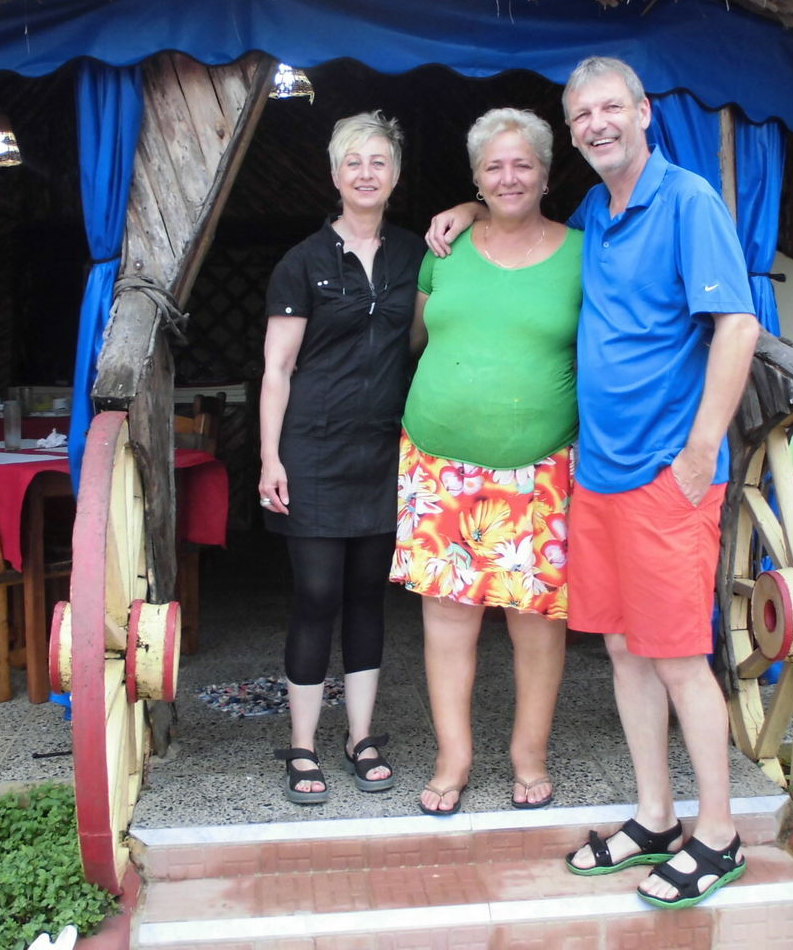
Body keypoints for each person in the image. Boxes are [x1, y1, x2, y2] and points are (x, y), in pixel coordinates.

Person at [428, 58, 760, 909]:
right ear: (572, 131)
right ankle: (654, 816)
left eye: (611, 107)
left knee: (678, 656)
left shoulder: (687, 201)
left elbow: (737, 325)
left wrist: (700, 452)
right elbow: (519, 213)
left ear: (643, 111)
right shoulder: (597, 214)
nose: (598, 123)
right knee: (622, 648)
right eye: (583, 114)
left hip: (665, 471)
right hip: (599, 473)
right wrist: (470, 208)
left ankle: (718, 832)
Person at [392, 108, 583, 817]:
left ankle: (529, 755)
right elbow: (414, 338)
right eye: (493, 166)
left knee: (537, 621)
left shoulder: (582, 253)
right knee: (447, 621)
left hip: (540, 467)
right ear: (476, 177)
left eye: (522, 164)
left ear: (545, 174)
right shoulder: (443, 252)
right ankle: (454, 758)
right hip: (437, 464)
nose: (508, 177)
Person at [259, 110, 425, 804]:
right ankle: (301, 744)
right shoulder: (302, 262)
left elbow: (420, 342)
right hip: (313, 449)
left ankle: (360, 737)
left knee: (366, 597)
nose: (366, 173)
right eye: (353, 161)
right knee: (317, 595)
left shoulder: (417, 255)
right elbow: (278, 369)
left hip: (383, 448)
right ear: (334, 174)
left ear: (396, 174)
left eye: (378, 161)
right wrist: (270, 457)